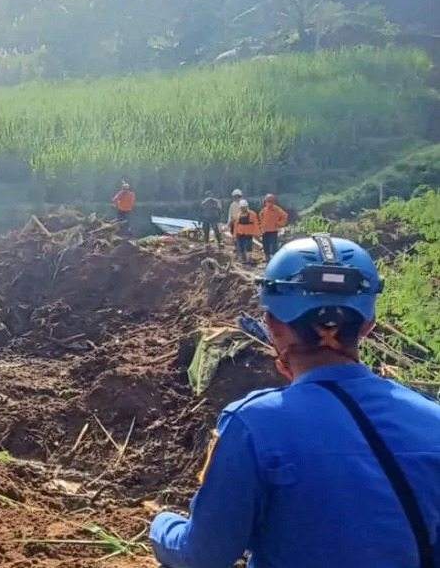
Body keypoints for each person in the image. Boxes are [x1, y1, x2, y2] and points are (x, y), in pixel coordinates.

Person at [149, 234, 440, 568]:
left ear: (272, 324)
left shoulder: (253, 425)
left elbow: (204, 555)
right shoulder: (432, 420)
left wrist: (160, 526)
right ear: (368, 326)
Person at [258, 194, 289, 261]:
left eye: (269, 201)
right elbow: (260, 215)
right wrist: (262, 224)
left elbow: (285, 216)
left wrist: (280, 223)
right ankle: (267, 258)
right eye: (267, 201)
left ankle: (275, 258)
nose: (268, 203)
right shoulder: (264, 209)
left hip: (273, 230)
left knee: (274, 245)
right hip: (265, 230)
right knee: (265, 244)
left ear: (272, 201)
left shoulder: (277, 209)